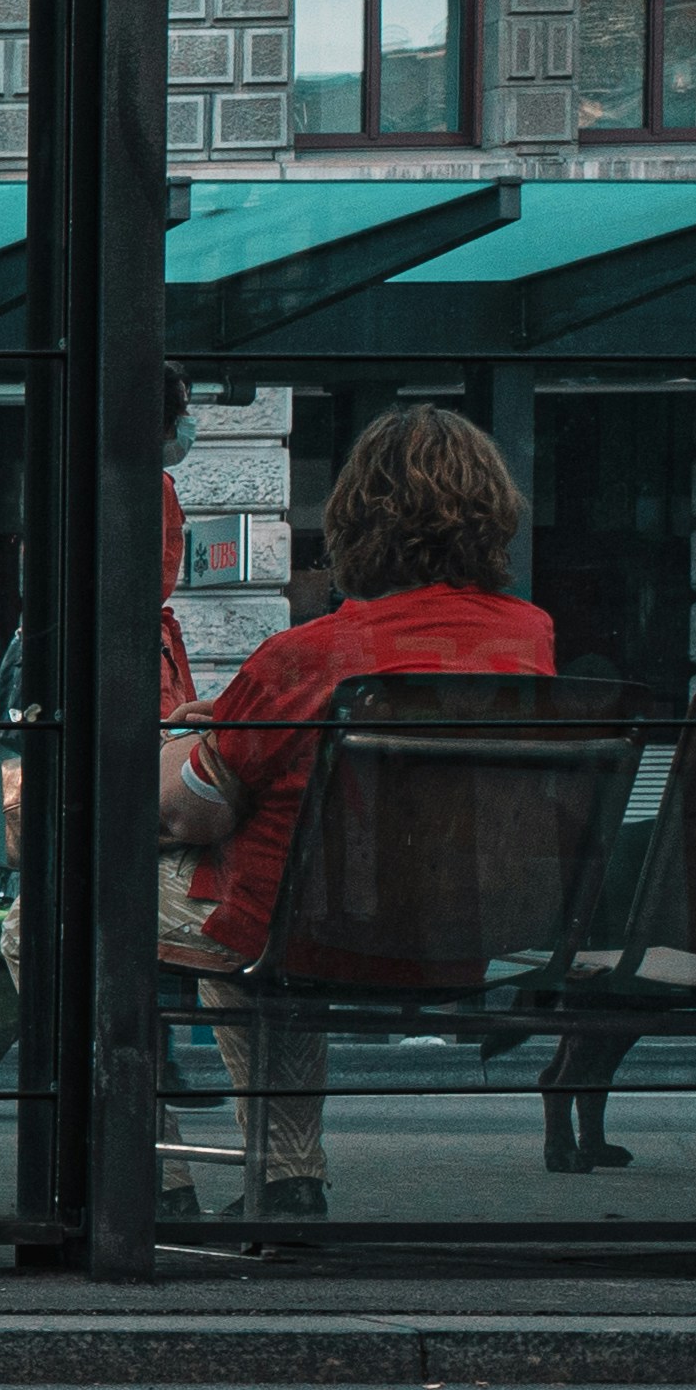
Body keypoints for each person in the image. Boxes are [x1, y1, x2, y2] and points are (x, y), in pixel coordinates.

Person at [154, 404, 547, 1222]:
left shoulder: (308, 654)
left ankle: (150, 1181)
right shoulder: (530, 639)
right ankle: (287, 1177)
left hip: (314, 932)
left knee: (51, 919)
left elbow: (191, 811)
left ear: (354, 521)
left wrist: (205, 731)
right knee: (262, 915)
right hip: (464, 934)